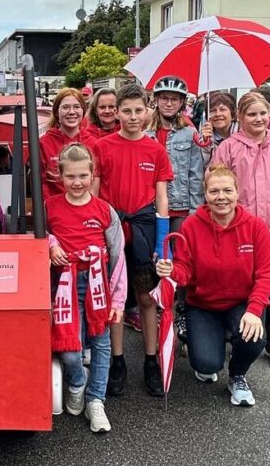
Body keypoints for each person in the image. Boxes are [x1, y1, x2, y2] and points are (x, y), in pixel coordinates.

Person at [155, 165, 270, 406]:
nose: (221, 197)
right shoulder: (190, 226)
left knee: (254, 338)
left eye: (227, 191)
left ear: (237, 192)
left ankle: (237, 375)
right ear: (205, 194)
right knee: (207, 365)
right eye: (214, 191)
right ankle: (202, 340)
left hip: (240, 303)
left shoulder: (255, 227)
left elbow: (267, 275)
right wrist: (171, 271)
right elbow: (185, 270)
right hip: (202, 304)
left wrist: (254, 311)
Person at [212, 92, 270, 369]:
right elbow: (215, 181)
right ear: (240, 118)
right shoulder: (229, 147)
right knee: (236, 283)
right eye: (251, 114)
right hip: (236, 229)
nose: (258, 119)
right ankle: (238, 335)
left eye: (262, 113)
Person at [92, 83, 172, 397]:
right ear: (116, 113)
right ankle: (117, 359)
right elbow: (95, 194)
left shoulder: (156, 149)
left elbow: (162, 199)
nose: (133, 116)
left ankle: (151, 360)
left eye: (139, 110)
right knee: (114, 298)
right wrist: (95, 233)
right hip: (111, 226)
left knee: (146, 297)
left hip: (143, 226)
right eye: (127, 111)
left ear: (148, 111)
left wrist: (161, 242)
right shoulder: (103, 146)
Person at [47, 143, 126, 432]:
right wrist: (52, 245)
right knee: (70, 350)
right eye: (71, 177)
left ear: (92, 175)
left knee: (101, 342)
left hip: (97, 285)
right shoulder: (51, 206)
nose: (77, 183)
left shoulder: (105, 210)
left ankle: (96, 400)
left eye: (83, 176)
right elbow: (41, 235)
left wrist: (118, 301)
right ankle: (78, 381)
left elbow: (118, 258)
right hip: (63, 286)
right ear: (61, 176)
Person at [147, 76, 205, 346]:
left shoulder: (188, 134)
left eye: (174, 99)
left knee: (180, 262)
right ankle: (155, 309)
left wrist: (195, 213)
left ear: (182, 103)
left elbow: (196, 175)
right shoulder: (145, 131)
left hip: (180, 208)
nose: (168, 103)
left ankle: (179, 310)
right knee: (154, 259)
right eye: (164, 98)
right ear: (156, 101)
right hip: (150, 207)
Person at [40, 88, 98, 200]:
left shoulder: (93, 143)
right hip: (55, 211)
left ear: (83, 111)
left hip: (86, 211)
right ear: (57, 111)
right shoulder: (44, 143)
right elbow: (41, 184)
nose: (72, 112)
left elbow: (96, 181)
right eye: (66, 107)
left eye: (76, 107)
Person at [200, 92, 238, 157]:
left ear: (232, 114)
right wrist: (206, 143)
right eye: (213, 110)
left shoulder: (244, 134)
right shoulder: (205, 137)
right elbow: (205, 164)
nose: (218, 114)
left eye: (222, 109)